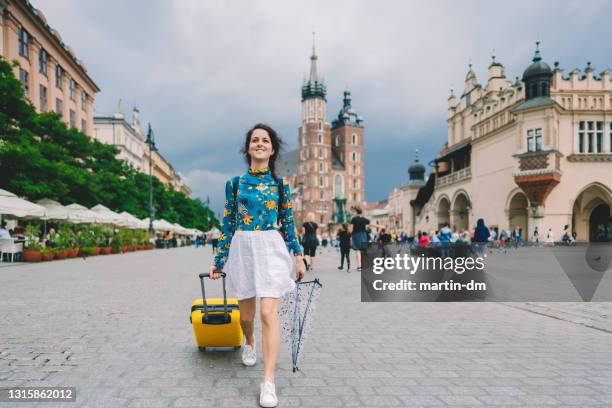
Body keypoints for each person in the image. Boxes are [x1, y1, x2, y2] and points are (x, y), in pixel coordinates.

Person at [210, 123, 306, 408]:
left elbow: (288, 223)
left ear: (272, 149)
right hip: (243, 248)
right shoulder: (235, 184)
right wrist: (219, 260)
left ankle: (268, 381)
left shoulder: (280, 185)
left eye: (265, 140)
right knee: (247, 316)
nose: (260, 143)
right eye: (255, 140)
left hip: (271, 248)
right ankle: (249, 341)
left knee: (268, 313)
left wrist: (298, 255)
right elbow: (227, 223)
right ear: (248, 147)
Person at [349, 206, 371, 272]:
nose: (352, 213)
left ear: (356, 212)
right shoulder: (364, 219)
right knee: (363, 250)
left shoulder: (354, 219)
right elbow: (370, 223)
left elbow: (351, 230)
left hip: (356, 235)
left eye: (353, 212)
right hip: (364, 235)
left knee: (358, 250)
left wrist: (349, 232)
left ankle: (359, 266)